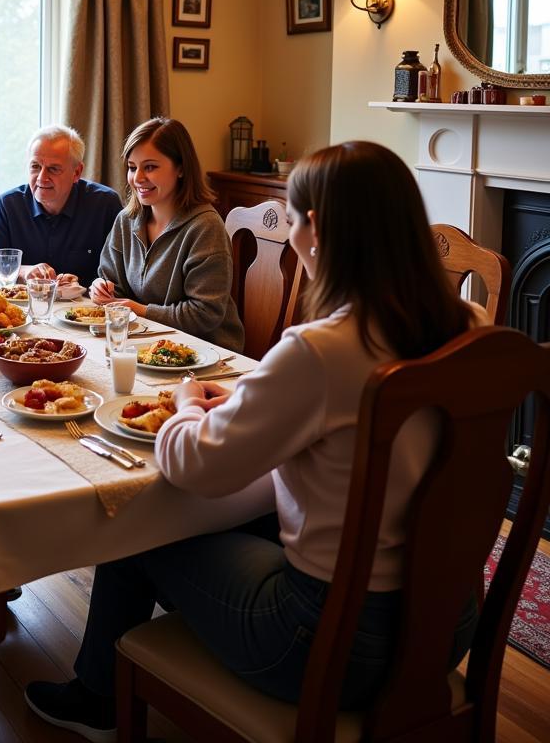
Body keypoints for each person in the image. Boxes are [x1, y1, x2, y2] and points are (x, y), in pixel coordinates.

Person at [25, 141, 483, 742]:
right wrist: (251, 405)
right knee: (233, 517)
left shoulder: (321, 349)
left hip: (326, 644)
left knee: (136, 528)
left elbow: (192, 465)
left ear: (314, 228)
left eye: (291, 222)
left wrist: (188, 402)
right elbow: (336, 433)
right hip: (447, 625)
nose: (292, 236)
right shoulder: (471, 330)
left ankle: (97, 697)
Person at [90, 116, 243, 349]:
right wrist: (102, 288)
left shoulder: (205, 227)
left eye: (150, 167)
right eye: (132, 167)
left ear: (181, 168)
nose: (138, 178)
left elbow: (204, 313)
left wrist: (137, 309)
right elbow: (112, 283)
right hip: (146, 344)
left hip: (206, 352)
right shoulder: (126, 220)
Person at [0, 125, 122, 287]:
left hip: (87, 308)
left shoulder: (105, 205)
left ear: (76, 172)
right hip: (24, 307)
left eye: (53, 169)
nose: (41, 177)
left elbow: (120, 271)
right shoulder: (7, 205)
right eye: (35, 166)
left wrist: (94, 283)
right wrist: (23, 271)